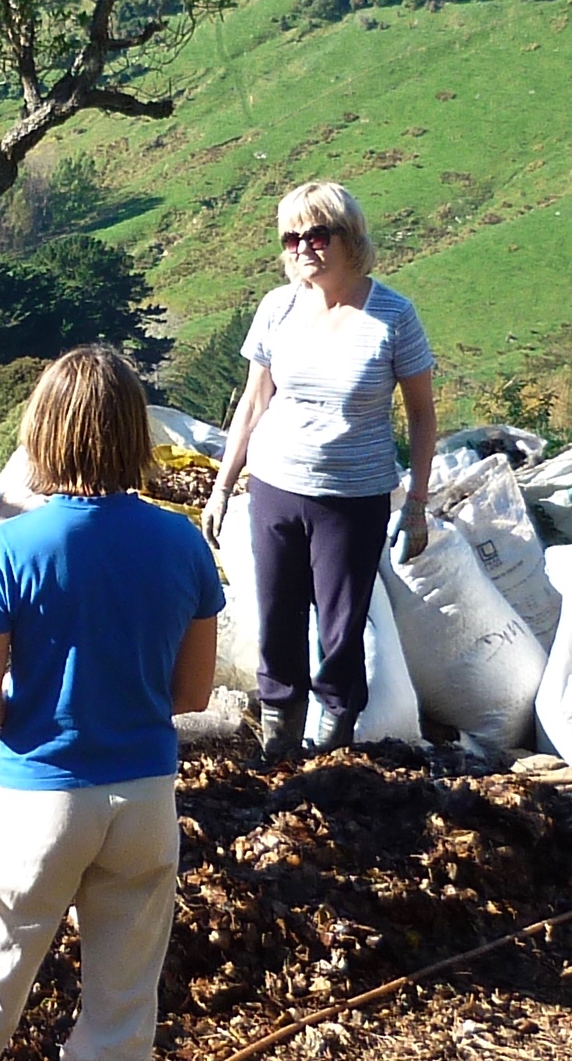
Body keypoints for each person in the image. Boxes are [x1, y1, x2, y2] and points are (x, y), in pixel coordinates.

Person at [0, 347, 223, 1061]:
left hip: (40, 795)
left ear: (43, 433)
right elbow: (194, 693)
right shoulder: (184, 542)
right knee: (121, 1014)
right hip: (146, 797)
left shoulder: (10, 547)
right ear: (134, 437)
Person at [199, 182, 437, 761]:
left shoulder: (392, 316)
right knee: (276, 618)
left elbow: (423, 415)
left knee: (340, 628)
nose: (303, 247)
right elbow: (253, 403)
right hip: (275, 488)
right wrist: (223, 486)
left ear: (349, 238)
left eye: (316, 234)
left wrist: (417, 503)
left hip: (351, 497)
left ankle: (334, 738)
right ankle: (279, 739)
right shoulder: (277, 307)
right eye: (291, 237)